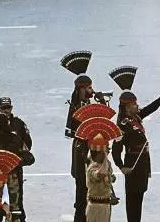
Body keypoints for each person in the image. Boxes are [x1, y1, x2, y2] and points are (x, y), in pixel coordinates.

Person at [112, 90, 160, 222]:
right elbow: (116, 149)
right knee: (133, 200)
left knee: (140, 196)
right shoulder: (122, 126)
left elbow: (153, 107)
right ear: (127, 107)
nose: (137, 106)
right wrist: (121, 166)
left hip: (143, 164)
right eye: (134, 104)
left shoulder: (136, 117)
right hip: (133, 165)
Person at [67, 74, 96, 222]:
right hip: (81, 151)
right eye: (89, 87)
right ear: (82, 90)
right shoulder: (76, 107)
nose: (92, 90)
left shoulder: (88, 105)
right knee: (81, 190)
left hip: (89, 149)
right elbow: (72, 131)